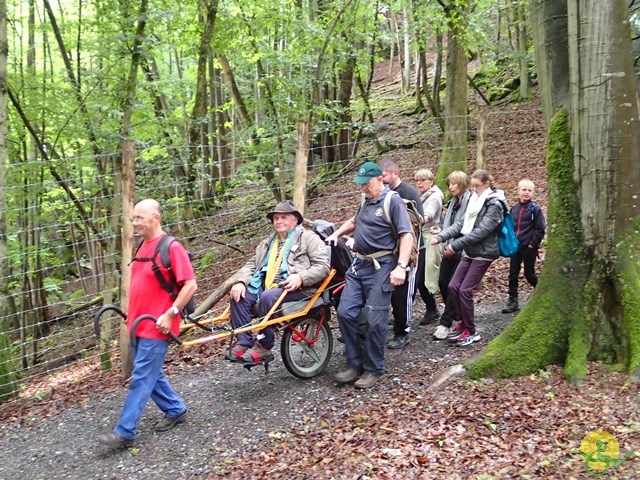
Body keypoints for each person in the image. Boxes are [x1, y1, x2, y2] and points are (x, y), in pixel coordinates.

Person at [98, 199, 197, 448]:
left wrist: (170, 313)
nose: (135, 223)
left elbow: (190, 284)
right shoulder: (142, 246)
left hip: (157, 325)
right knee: (149, 373)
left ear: (156, 217)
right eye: (133, 218)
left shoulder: (171, 247)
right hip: (136, 325)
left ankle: (124, 433)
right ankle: (175, 409)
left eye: (139, 218)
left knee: (142, 376)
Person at [326, 161, 413, 389]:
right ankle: (354, 364)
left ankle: (374, 368)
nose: (362, 187)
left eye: (366, 183)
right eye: (360, 184)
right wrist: (337, 233)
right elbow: (355, 221)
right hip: (359, 266)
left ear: (379, 179)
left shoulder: (392, 201)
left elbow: (407, 235)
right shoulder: (364, 199)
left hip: (382, 266)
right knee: (345, 312)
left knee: (375, 320)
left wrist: (401, 266)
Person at [226, 200, 330, 363]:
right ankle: (244, 340)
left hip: (299, 288)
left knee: (268, 297)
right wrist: (240, 282)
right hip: (266, 284)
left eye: (284, 217)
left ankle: (264, 346)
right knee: (238, 296)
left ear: (295, 220)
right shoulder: (268, 242)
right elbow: (251, 265)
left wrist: (301, 277)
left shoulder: (308, 238)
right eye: (276, 218)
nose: (279, 221)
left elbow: (323, 266)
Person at [431, 170, 505, 347]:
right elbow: (461, 224)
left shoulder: (495, 204)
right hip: (470, 251)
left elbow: (481, 232)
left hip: (484, 252)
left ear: (487, 184)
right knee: (453, 286)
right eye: (473, 186)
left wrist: (455, 245)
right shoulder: (475, 200)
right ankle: (462, 324)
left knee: (465, 290)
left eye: (477, 186)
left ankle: (471, 331)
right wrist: (441, 236)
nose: (474, 189)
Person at [378, 158, 424, 349]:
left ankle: (402, 331)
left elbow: (418, 222)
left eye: (384, 175)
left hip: (410, 252)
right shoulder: (381, 194)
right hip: (388, 252)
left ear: (394, 173)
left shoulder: (408, 192)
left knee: (402, 294)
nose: (382, 179)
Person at [430, 171, 472, 339]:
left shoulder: (469, 201)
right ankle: (458, 312)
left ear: (462, 184)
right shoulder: (453, 201)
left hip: (462, 249)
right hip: (449, 246)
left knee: (452, 285)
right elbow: (450, 222)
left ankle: (445, 323)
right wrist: (441, 229)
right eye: (449, 184)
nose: (451, 187)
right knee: (442, 282)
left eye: (454, 184)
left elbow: (465, 226)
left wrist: (453, 244)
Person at [502, 179, 546, 313]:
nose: (526, 193)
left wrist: (533, 244)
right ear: (518, 191)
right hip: (515, 247)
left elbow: (540, 228)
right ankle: (512, 300)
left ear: (533, 192)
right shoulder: (514, 209)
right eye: (524, 190)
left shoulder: (535, 209)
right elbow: (510, 226)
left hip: (529, 248)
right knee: (513, 273)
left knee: (529, 273)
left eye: (529, 190)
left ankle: (541, 293)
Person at [413, 168, 444, 327]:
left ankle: (436, 310)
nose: (419, 183)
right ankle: (432, 308)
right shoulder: (420, 196)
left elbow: (428, 215)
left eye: (423, 180)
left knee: (426, 277)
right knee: (419, 277)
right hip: (420, 239)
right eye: (417, 180)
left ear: (431, 181)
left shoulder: (434, 196)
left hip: (429, 239)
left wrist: (414, 221)